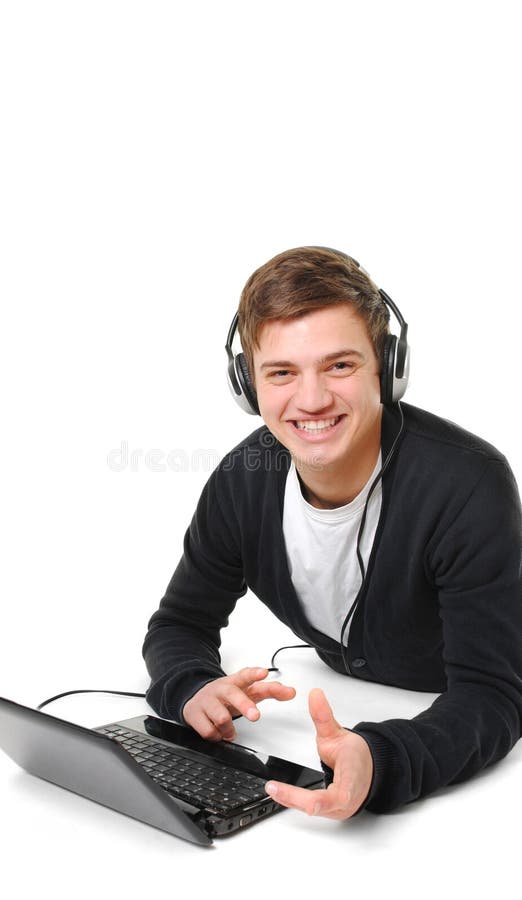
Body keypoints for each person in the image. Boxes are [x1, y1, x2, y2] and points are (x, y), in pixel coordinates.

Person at [142, 246, 522, 819]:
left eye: (339, 365)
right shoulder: (241, 482)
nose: (312, 399)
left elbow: (494, 694)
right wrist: (191, 685)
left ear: (387, 369)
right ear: (249, 386)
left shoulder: (468, 486)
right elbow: (179, 623)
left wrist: (384, 757)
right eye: (282, 373)